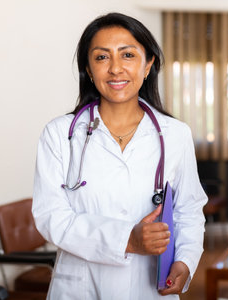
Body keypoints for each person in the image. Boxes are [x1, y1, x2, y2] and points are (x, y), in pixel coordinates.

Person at [32, 12, 207, 299]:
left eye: (127, 55)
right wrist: (127, 240)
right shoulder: (59, 134)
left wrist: (184, 261)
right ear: (88, 69)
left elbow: (189, 210)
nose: (115, 68)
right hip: (80, 286)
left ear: (148, 64)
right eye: (102, 57)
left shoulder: (175, 134)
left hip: (150, 285)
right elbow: (51, 216)